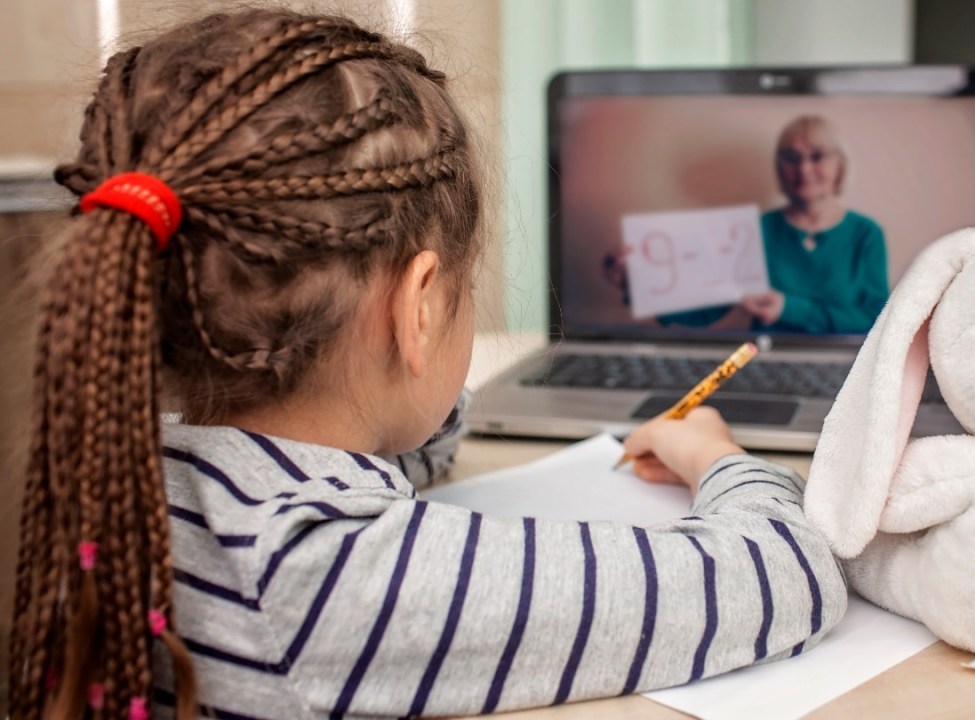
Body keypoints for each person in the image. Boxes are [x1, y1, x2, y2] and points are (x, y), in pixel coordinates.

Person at [8, 9, 846, 719]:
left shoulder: (126, 468)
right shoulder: (334, 578)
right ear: (418, 307)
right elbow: (788, 572)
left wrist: (399, 393)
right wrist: (713, 454)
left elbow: (411, 451)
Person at [614, 115, 890, 334]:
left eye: (817, 156)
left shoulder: (865, 233)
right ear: (780, 168)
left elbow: (875, 321)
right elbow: (709, 308)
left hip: (845, 364)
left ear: (840, 165)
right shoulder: (754, 231)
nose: (804, 169)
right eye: (791, 158)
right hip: (763, 359)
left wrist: (788, 309)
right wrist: (640, 284)